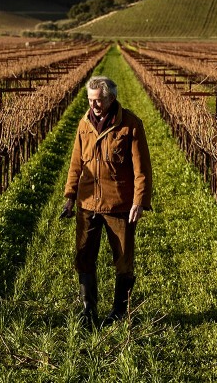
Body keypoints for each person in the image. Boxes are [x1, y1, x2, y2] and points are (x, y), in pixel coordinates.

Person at [63, 76, 153, 327]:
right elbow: (75, 163)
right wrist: (70, 196)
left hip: (119, 205)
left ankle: (119, 312)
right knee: (84, 256)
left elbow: (142, 169)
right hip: (87, 203)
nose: (94, 106)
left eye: (98, 100)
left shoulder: (131, 125)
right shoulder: (84, 124)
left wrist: (139, 201)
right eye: (91, 101)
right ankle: (88, 310)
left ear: (111, 98)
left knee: (123, 259)